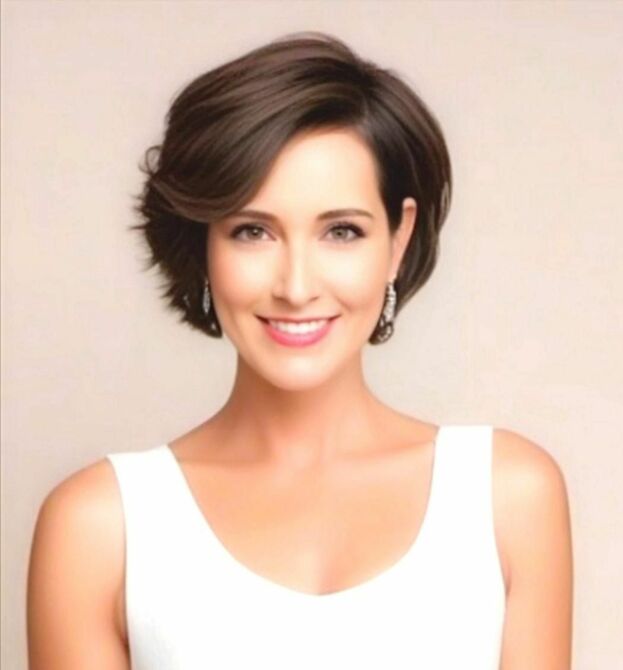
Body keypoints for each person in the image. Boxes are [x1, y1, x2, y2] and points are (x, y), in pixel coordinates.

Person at [26, 31, 573, 669]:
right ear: (203, 243)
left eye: (341, 231)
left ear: (398, 240)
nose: (296, 286)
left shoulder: (506, 497)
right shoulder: (99, 527)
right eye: (252, 231)